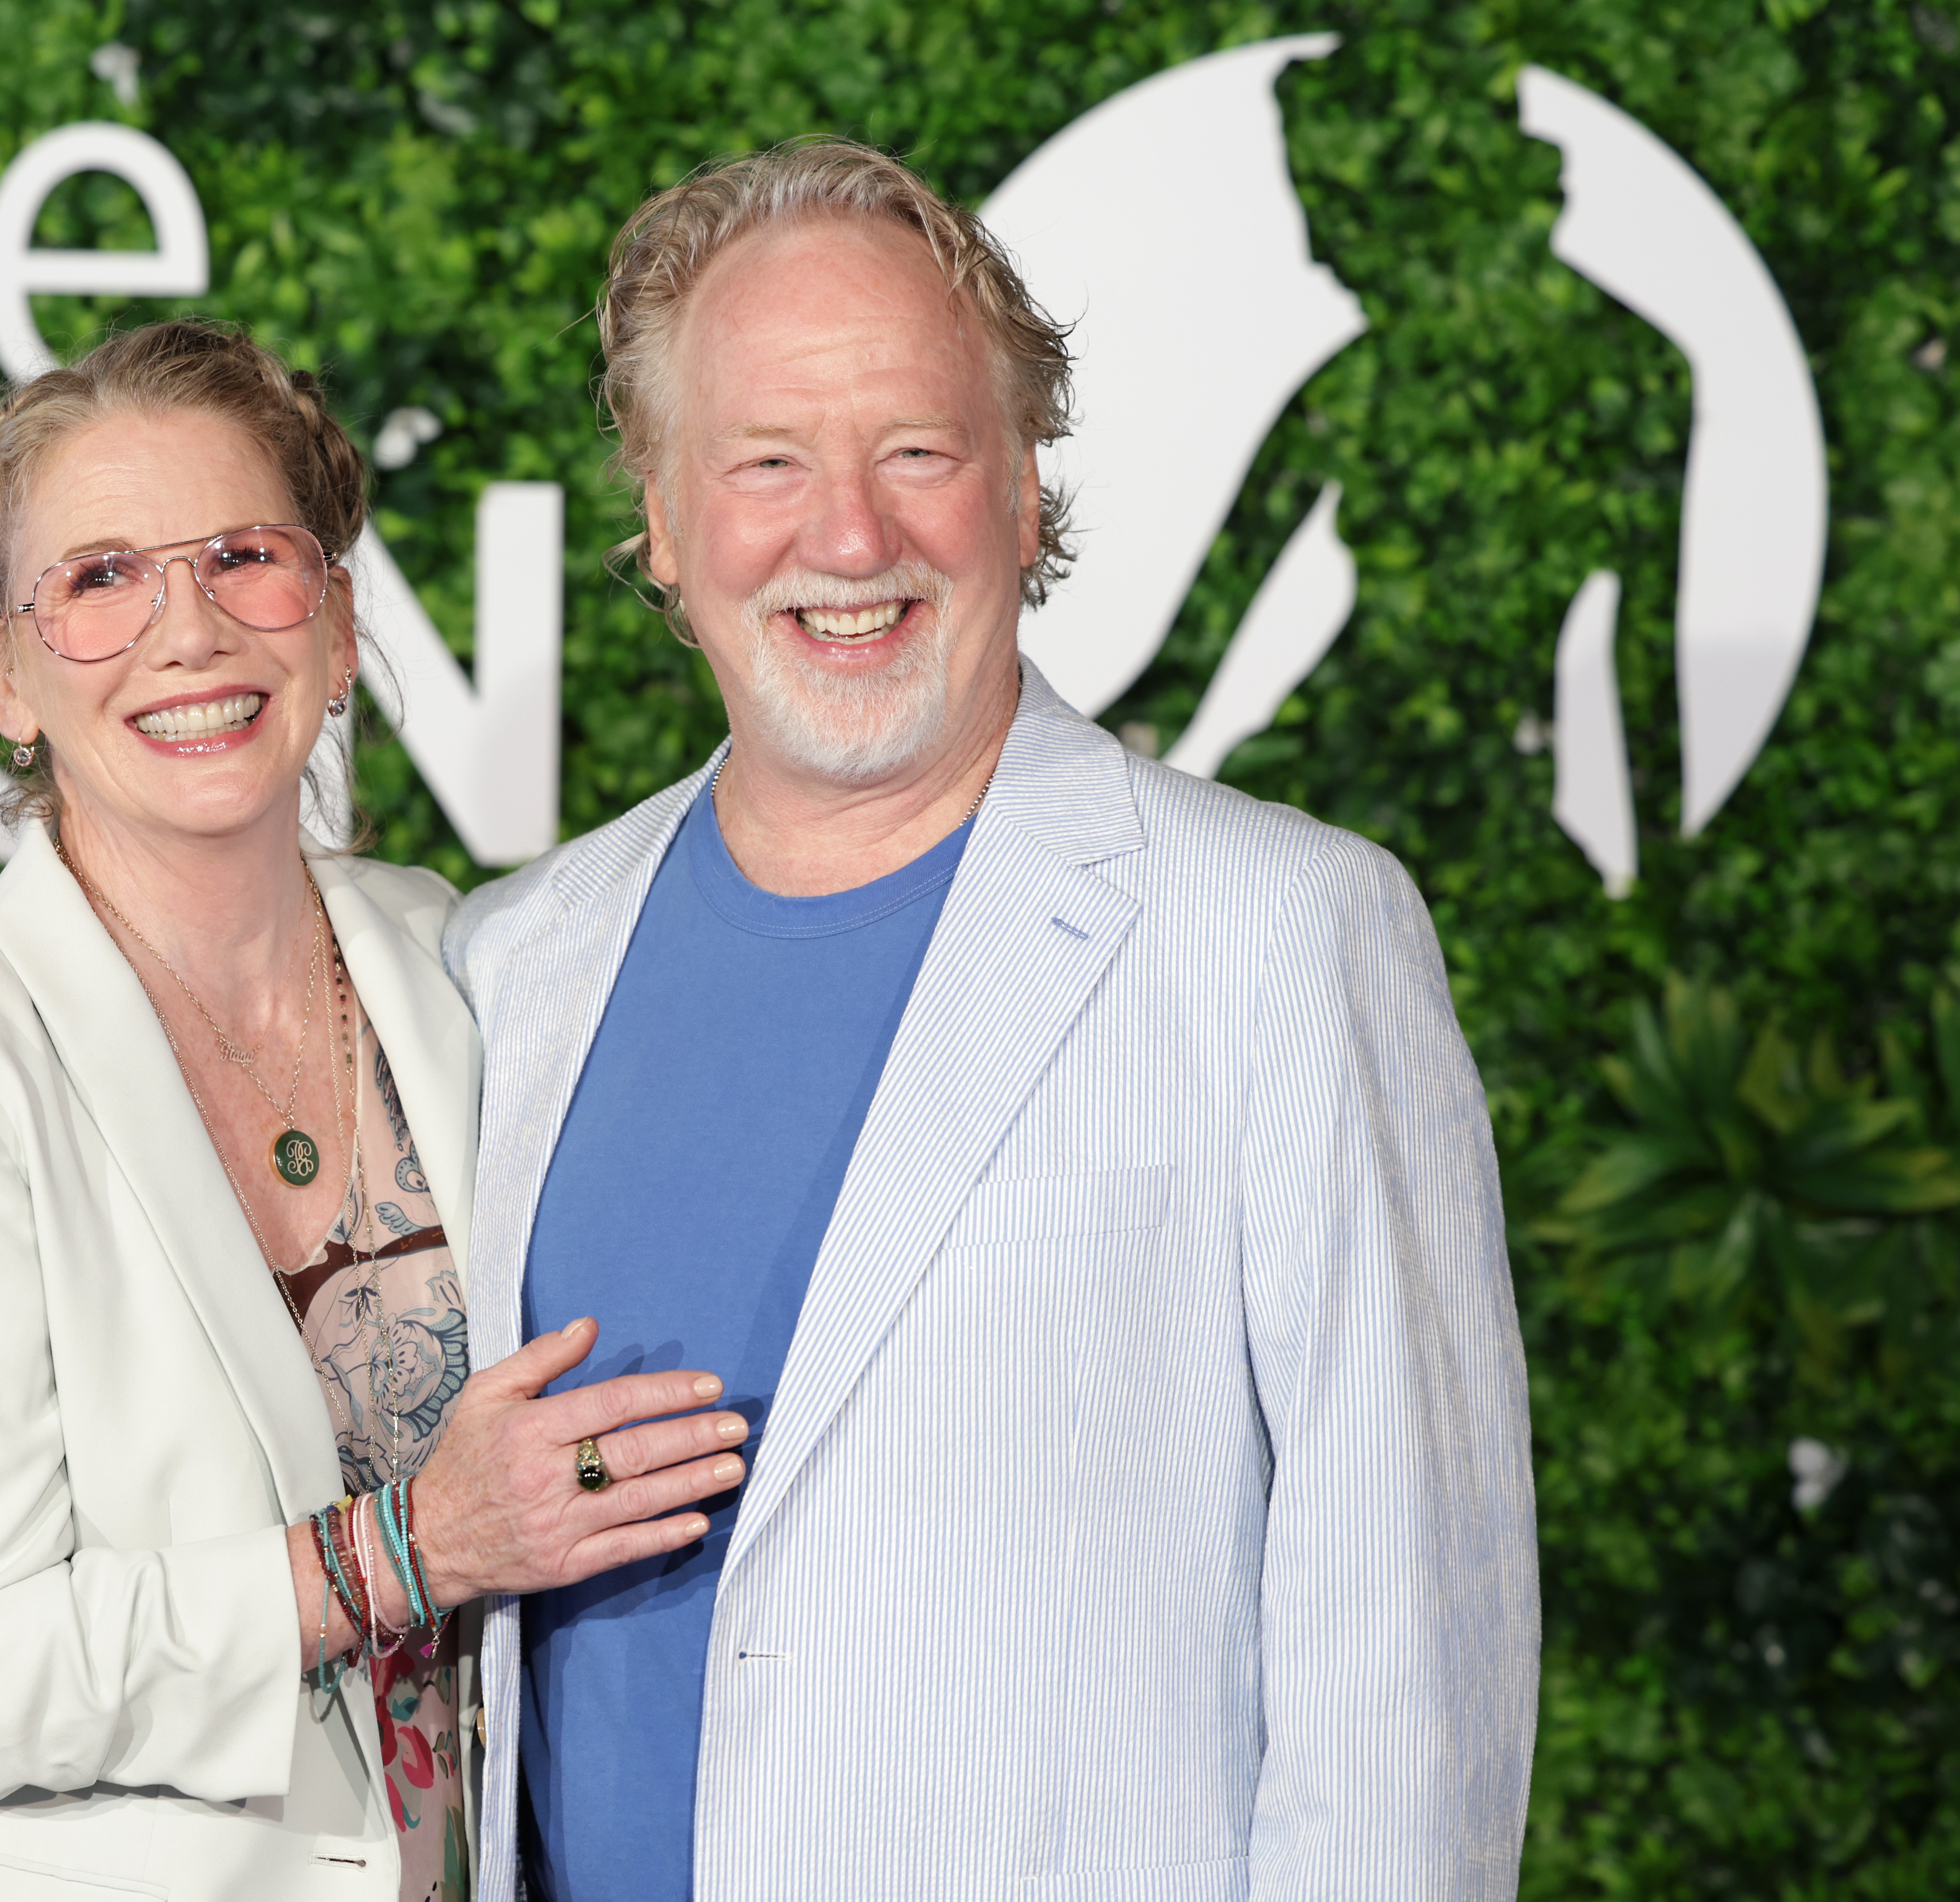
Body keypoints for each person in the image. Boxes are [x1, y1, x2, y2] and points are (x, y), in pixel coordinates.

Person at [446, 141, 1541, 1900]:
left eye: (919, 453)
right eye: (768, 463)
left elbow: (1408, 1671)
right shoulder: (512, 963)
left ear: (1027, 489)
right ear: (657, 513)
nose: (850, 536)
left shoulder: (1283, 933)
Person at [0, 321, 745, 1902]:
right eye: (99, 581)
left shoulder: (465, 956)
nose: (191, 631)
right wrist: (409, 1549)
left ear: (338, 624)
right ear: (3, 675)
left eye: (244, 556)